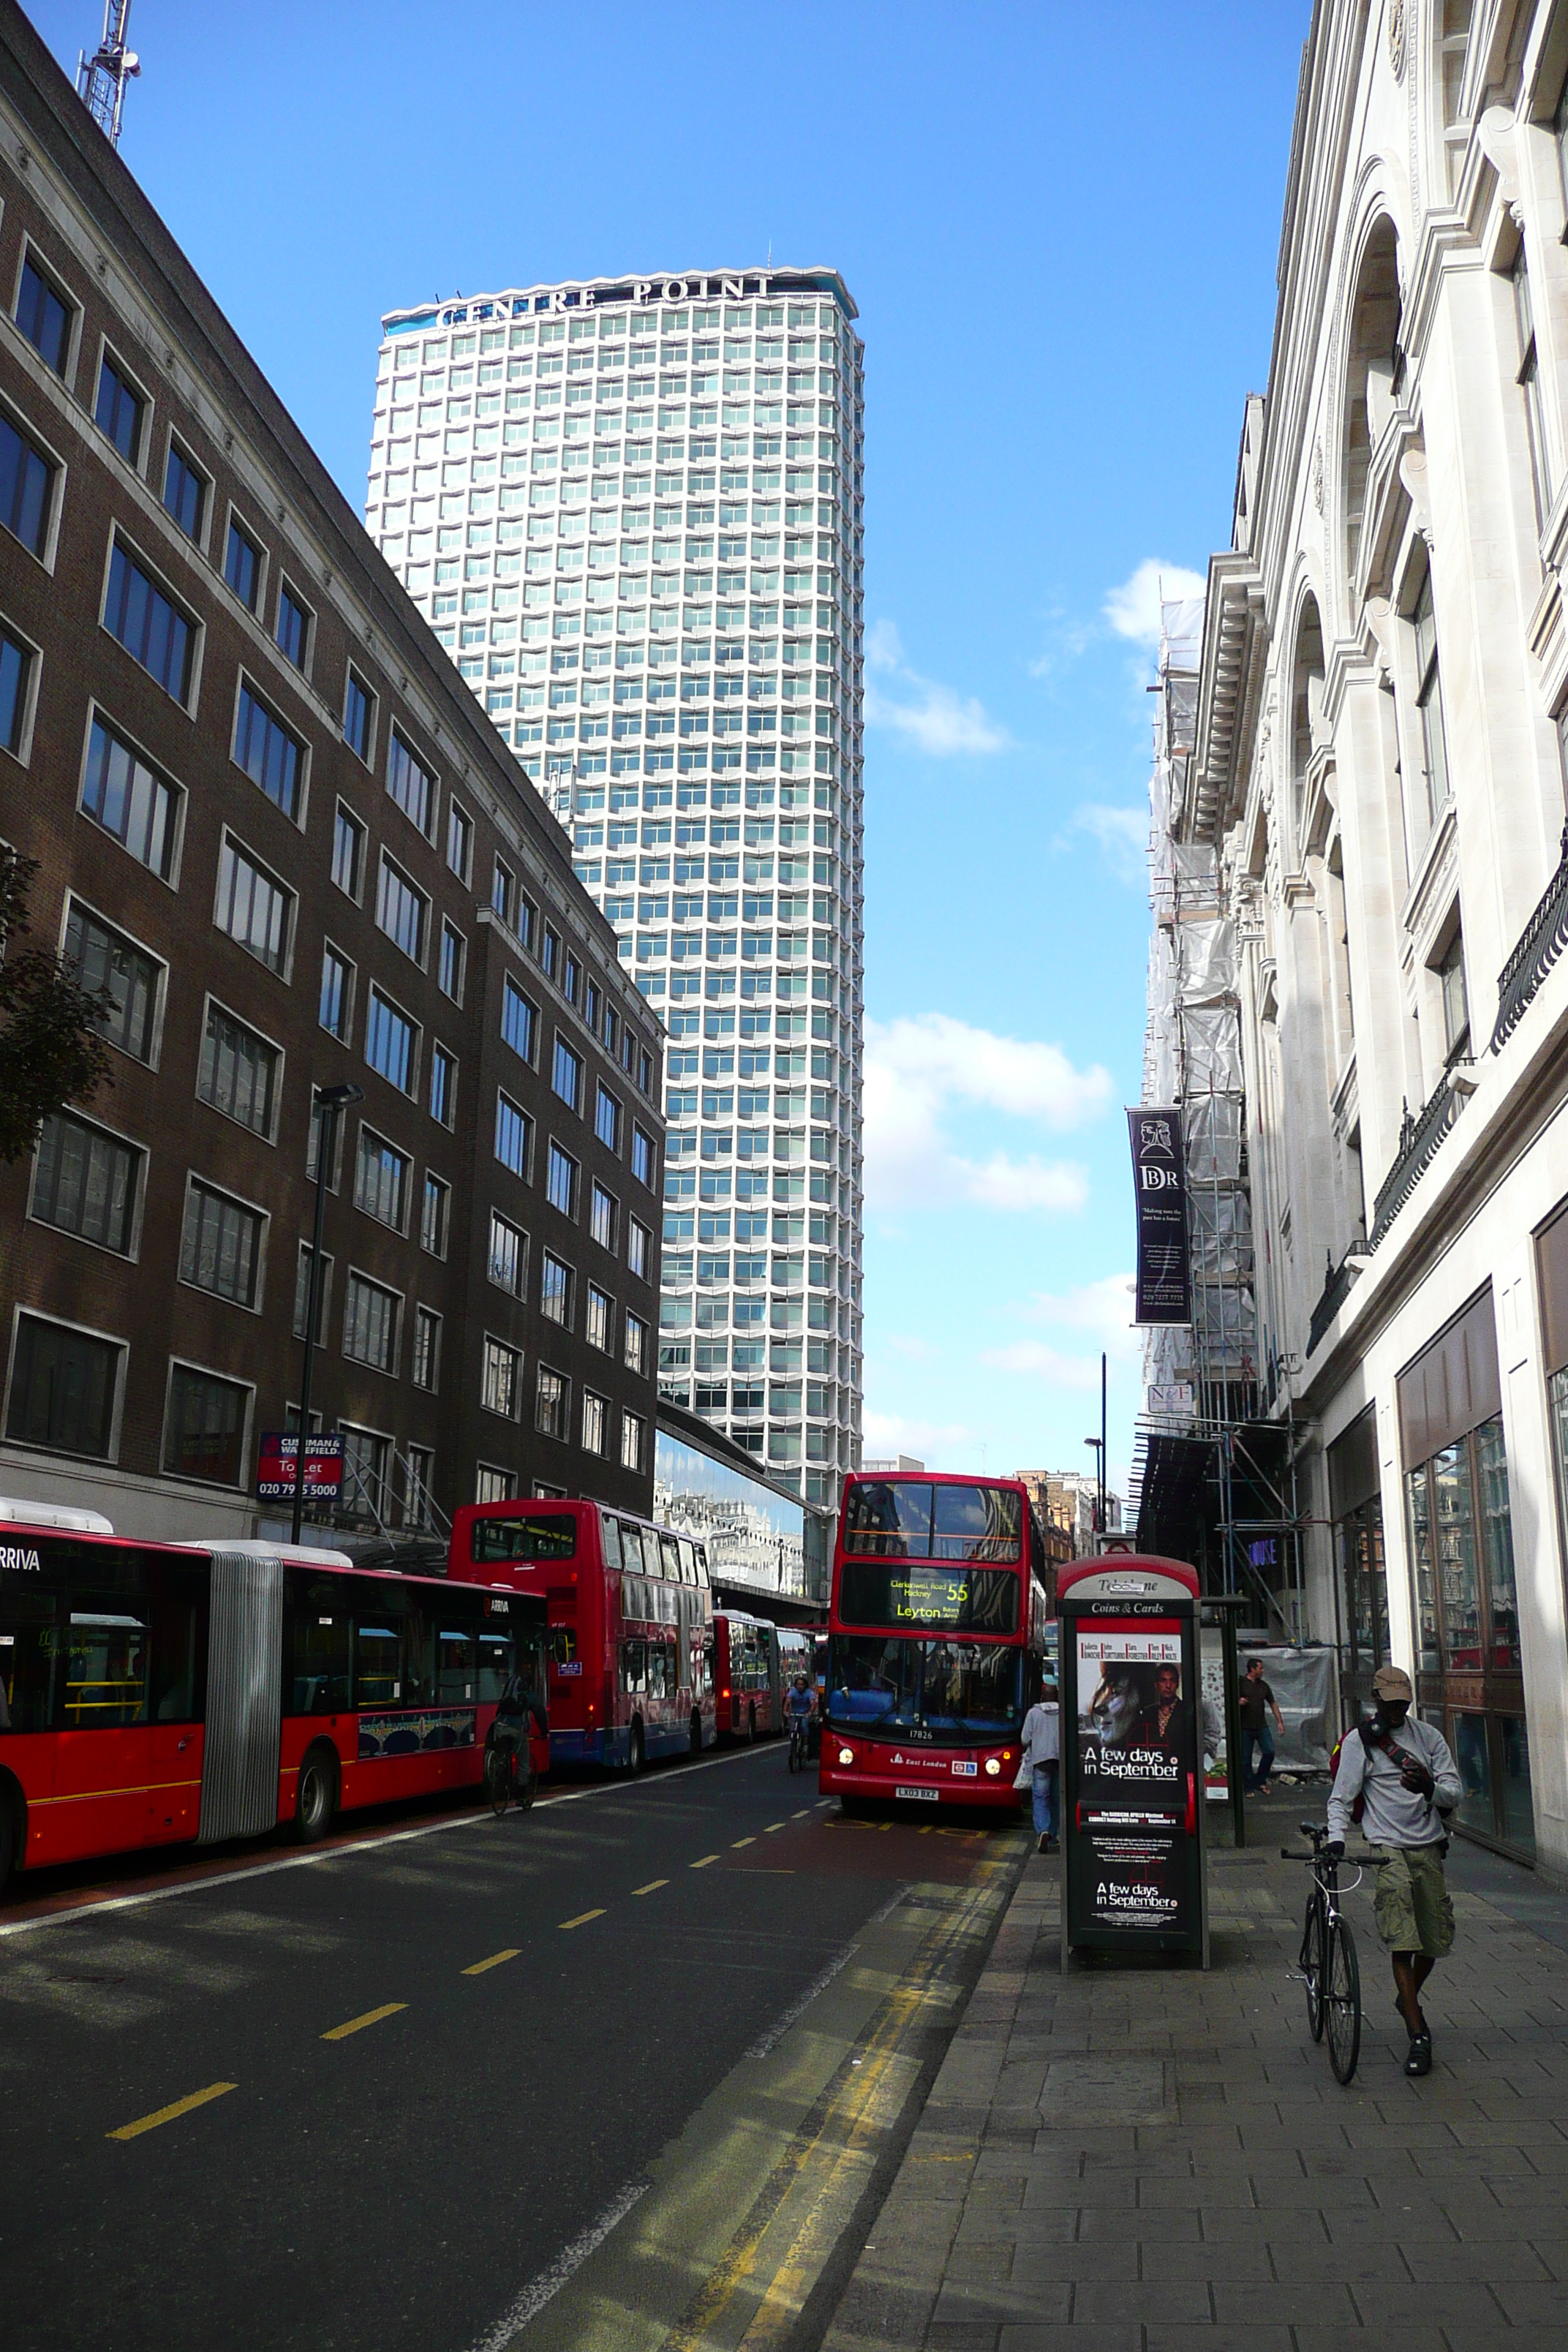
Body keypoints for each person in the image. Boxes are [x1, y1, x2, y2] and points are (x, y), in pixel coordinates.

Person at [1325, 1662, 1462, 2077]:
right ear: (1376, 1701)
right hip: (1387, 1845)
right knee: (1403, 1937)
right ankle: (1418, 2033)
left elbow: (1454, 1790)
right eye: (1391, 1704)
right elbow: (1340, 1798)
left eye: (1404, 1703)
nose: (1398, 1711)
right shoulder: (1359, 1743)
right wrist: (1336, 1838)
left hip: (1427, 1843)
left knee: (1435, 1939)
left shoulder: (1428, 1737)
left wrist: (1428, 1788)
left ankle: (1408, 1998)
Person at [1018, 1680, 1060, 1853]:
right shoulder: (1063, 1713)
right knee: (1056, 1799)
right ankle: (1052, 1836)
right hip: (1059, 1761)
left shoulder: (1034, 1713)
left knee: (1041, 1798)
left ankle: (1042, 1830)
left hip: (1041, 1761)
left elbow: (1025, 1739)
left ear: (1043, 1697)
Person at [1240, 1656, 1285, 1793]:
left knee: (1269, 1751)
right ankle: (1248, 1786)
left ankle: (1259, 1780)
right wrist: (1239, 1701)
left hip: (1261, 1725)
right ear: (1252, 1669)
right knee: (1246, 1758)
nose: (1263, 1671)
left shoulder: (1263, 1686)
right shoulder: (1241, 1683)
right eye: (1260, 1668)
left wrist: (1280, 1722)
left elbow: (1272, 1702)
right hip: (1245, 1726)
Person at [1130, 1662, 1190, 1756]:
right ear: (1156, 1684)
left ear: (1177, 1684)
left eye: (1172, 1680)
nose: (1168, 1685)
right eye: (1163, 1680)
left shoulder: (1187, 1712)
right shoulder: (1147, 1714)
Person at [785, 1672, 814, 1752]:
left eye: (801, 1684)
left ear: (805, 1685)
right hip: (795, 1713)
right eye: (798, 1684)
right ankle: (793, 1742)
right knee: (792, 1727)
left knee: (804, 1726)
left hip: (805, 1714)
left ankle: (805, 1744)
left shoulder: (809, 1693)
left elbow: (812, 1704)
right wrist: (785, 1711)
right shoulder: (793, 1692)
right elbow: (788, 1702)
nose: (800, 1686)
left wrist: (810, 1712)